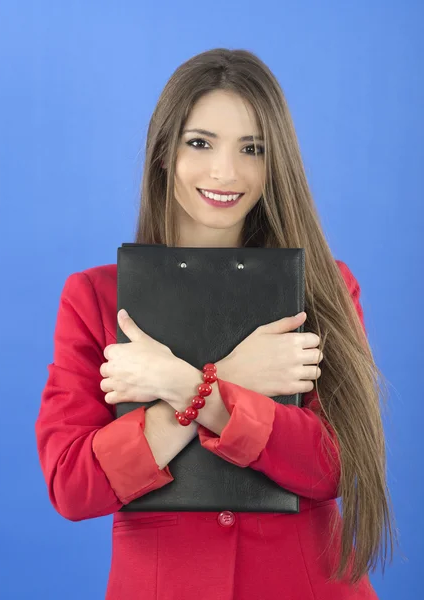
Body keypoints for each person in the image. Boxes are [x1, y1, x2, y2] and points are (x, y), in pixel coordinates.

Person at [35, 48, 397, 600]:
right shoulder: (94, 298)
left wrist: (186, 386)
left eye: (252, 149)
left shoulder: (325, 288)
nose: (226, 172)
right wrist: (232, 377)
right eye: (199, 142)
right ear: (163, 152)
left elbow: (337, 467)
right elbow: (73, 484)